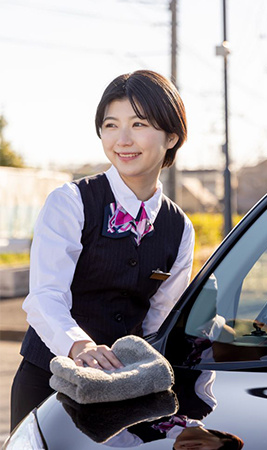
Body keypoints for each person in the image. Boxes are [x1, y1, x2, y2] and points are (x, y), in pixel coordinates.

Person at [10, 69, 195, 430]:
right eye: (111, 125)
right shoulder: (70, 202)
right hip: (49, 387)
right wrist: (80, 347)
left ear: (171, 136)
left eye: (139, 124)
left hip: (130, 392)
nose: (122, 140)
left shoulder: (179, 227)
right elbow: (45, 296)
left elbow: (161, 319)